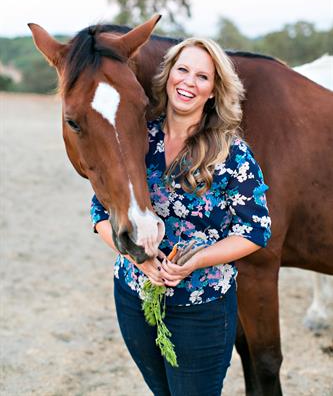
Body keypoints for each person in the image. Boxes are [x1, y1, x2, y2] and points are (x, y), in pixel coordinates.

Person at [90, 38, 271, 396]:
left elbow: (254, 231)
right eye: (183, 69)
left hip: (201, 309)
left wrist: (195, 261)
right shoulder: (138, 137)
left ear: (214, 91)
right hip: (133, 297)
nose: (189, 81)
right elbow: (99, 212)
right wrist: (135, 259)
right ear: (168, 75)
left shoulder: (231, 154)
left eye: (202, 76)